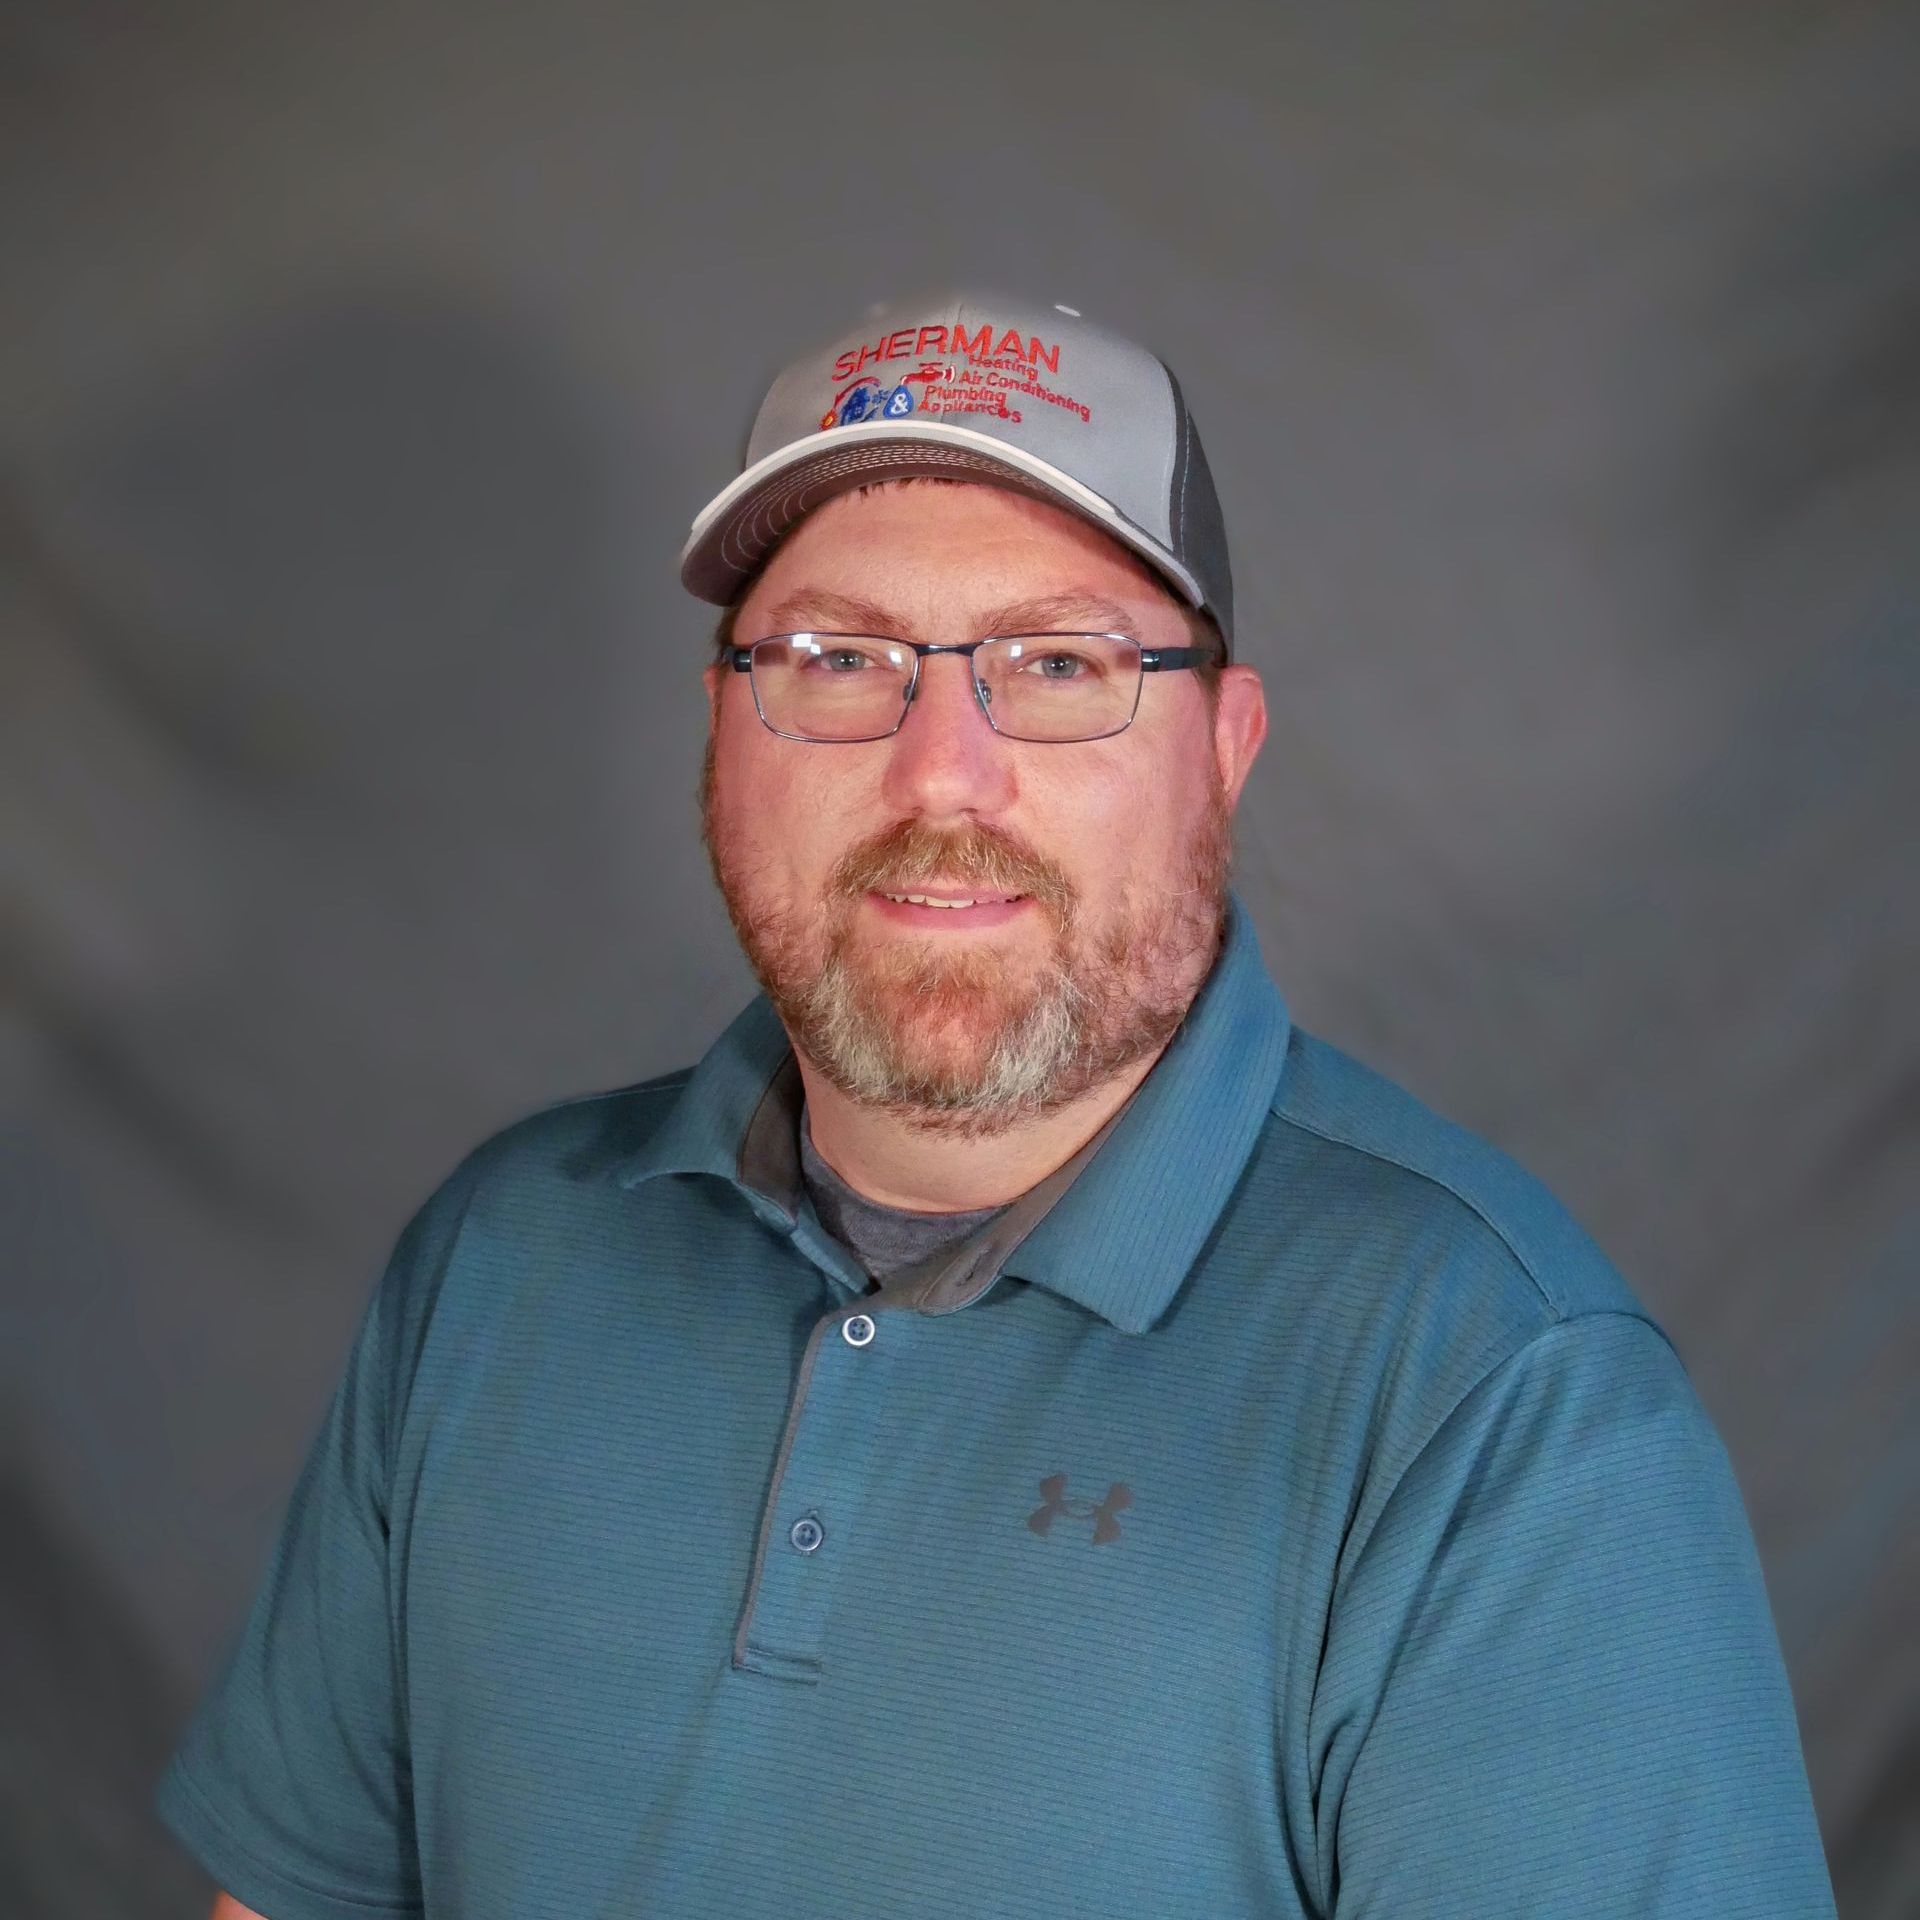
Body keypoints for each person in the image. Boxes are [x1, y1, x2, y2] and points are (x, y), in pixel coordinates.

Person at [156, 290, 1837, 1919]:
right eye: (837, 658)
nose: (941, 773)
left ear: (1225, 745)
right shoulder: (500, 1258)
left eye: (1056, 663)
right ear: (723, 732)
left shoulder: (1499, 1404)